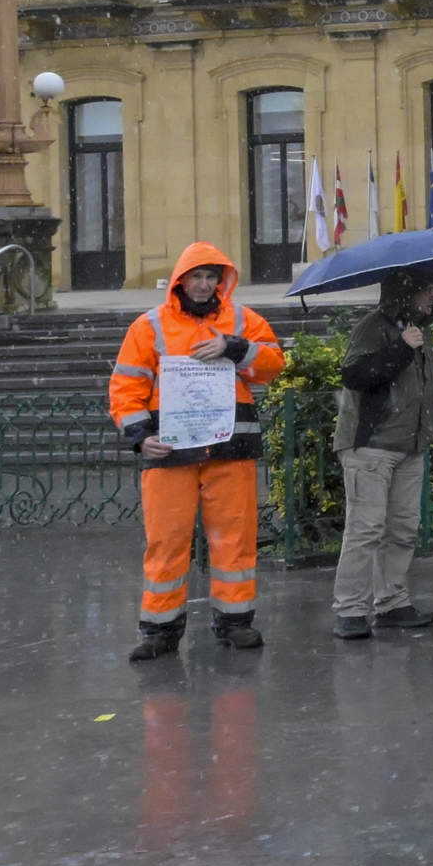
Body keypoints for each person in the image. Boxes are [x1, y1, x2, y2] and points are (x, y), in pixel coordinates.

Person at [110, 243, 286, 661]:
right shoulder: (149, 326)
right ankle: (159, 630)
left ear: (221, 280)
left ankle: (235, 622)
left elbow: (274, 365)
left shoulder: (243, 321)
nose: (205, 284)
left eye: (212, 277)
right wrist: (139, 436)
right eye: (197, 277)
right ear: (181, 281)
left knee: (236, 541)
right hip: (169, 451)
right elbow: (126, 387)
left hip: (229, 449)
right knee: (166, 542)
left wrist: (234, 347)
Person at [331, 270, 433, 642]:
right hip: (372, 446)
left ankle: (392, 602)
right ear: (406, 294)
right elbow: (355, 376)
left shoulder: (422, 331)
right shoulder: (373, 327)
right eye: (427, 289)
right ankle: (350, 609)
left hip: (410, 448)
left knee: (402, 529)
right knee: (365, 530)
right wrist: (400, 347)